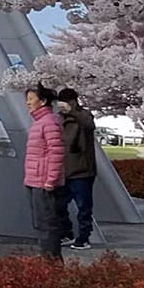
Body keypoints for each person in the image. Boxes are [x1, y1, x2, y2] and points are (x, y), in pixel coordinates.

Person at [23, 83, 68, 261]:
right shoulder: (40, 122)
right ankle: (47, 262)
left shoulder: (49, 122)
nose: (28, 103)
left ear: (43, 101)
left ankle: (52, 264)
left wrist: (51, 180)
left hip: (44, 184)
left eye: (31, 99)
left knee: (47, 225)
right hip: (34, 181)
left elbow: (56, 152)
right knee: (41, 224)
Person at [54, 85, 98, 248]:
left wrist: (72, 112)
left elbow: (89, 125)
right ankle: (66, 233)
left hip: (82, 171)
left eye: (65, 103)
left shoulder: (83, 116)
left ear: (73, 102)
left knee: (83, 207)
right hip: (64, 170)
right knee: (58, 204)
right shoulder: (59, 119)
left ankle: (84, 237)